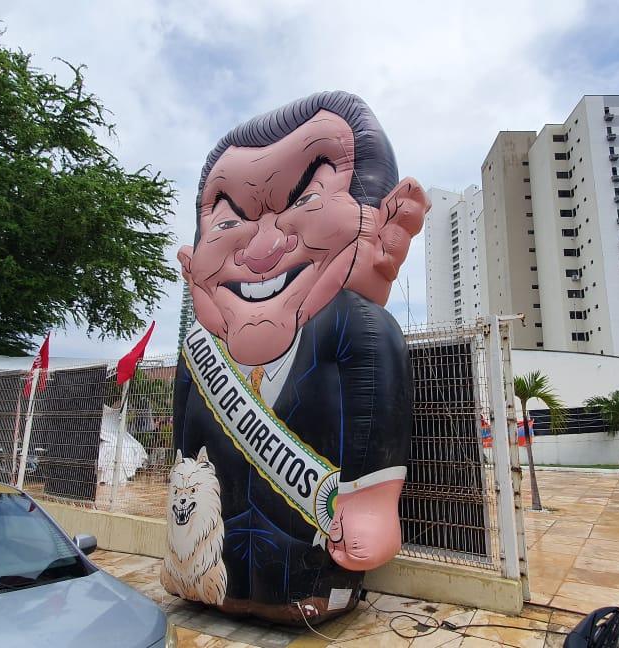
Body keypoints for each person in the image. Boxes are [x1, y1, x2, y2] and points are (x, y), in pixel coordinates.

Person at [171, 92, 429, 623]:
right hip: (209, 562)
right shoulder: (199, 347)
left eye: (309, 197)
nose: (263, 249)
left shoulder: (353, 326)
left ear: (381, 223)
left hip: (307, 564)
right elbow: (181, 438)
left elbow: (376, 412)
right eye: (226, 222)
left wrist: (369, 501)